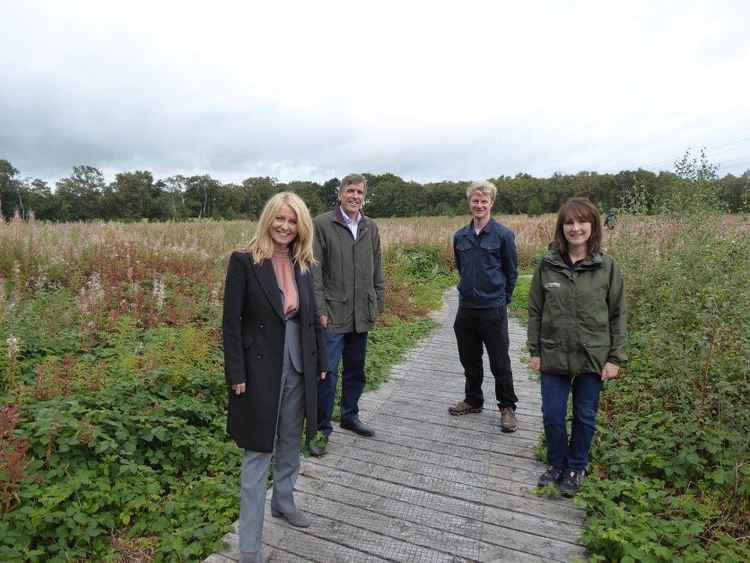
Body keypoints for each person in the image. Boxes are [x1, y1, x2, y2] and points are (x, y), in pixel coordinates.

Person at [223, 192, 328, 563]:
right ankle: (249, 547)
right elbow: (231, 323)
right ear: (268, 219)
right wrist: (235, 371)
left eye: (292, 220)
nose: (285, 226)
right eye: (279, 219)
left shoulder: (304, 263)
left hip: (298, 364)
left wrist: (319, 361)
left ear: (301, 225)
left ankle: (283, 501)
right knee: (257, 452)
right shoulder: (244, 262)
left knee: (289, 440)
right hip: (258, 371)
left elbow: (310, 317)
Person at [528, 197, 626, 497]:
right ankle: (557, 463)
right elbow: (534, 310)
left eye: (582, 221)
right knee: (553, 414)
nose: (575, 228)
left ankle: (576, 466)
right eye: (569, 222)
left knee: (585, 416)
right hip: (553, 353)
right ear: (562, 228)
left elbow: (618, 314)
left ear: (593, 226)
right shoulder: (547, 266)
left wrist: (615, 357)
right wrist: (535, 351)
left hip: (592, 355)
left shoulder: (607, 268)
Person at [310, 173, 385, 456]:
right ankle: (320, 429)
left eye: (360, 193)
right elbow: (314, 272)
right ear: (340, 193)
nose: (355, 196)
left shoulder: (370, 227)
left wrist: (377, 300)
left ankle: (350, 415)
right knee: (326, 374)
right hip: (332, 313)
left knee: (356, 369)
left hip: (360, 312)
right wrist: (320, 309)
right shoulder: (322, 224)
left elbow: (377, 266)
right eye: (350, 191)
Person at [449, 181, 519, 433]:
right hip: (466, 308)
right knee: (469, 359)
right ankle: (473, 400)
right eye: (475, 201)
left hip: (493, 309)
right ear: (470, 203)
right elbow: (461, 267)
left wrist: (501, 299)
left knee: (500, 361)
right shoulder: (460, 236)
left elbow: (511, 273)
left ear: (491, 203)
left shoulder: (503, 235)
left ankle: (507, 407)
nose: (479, 205)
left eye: (484, 201)